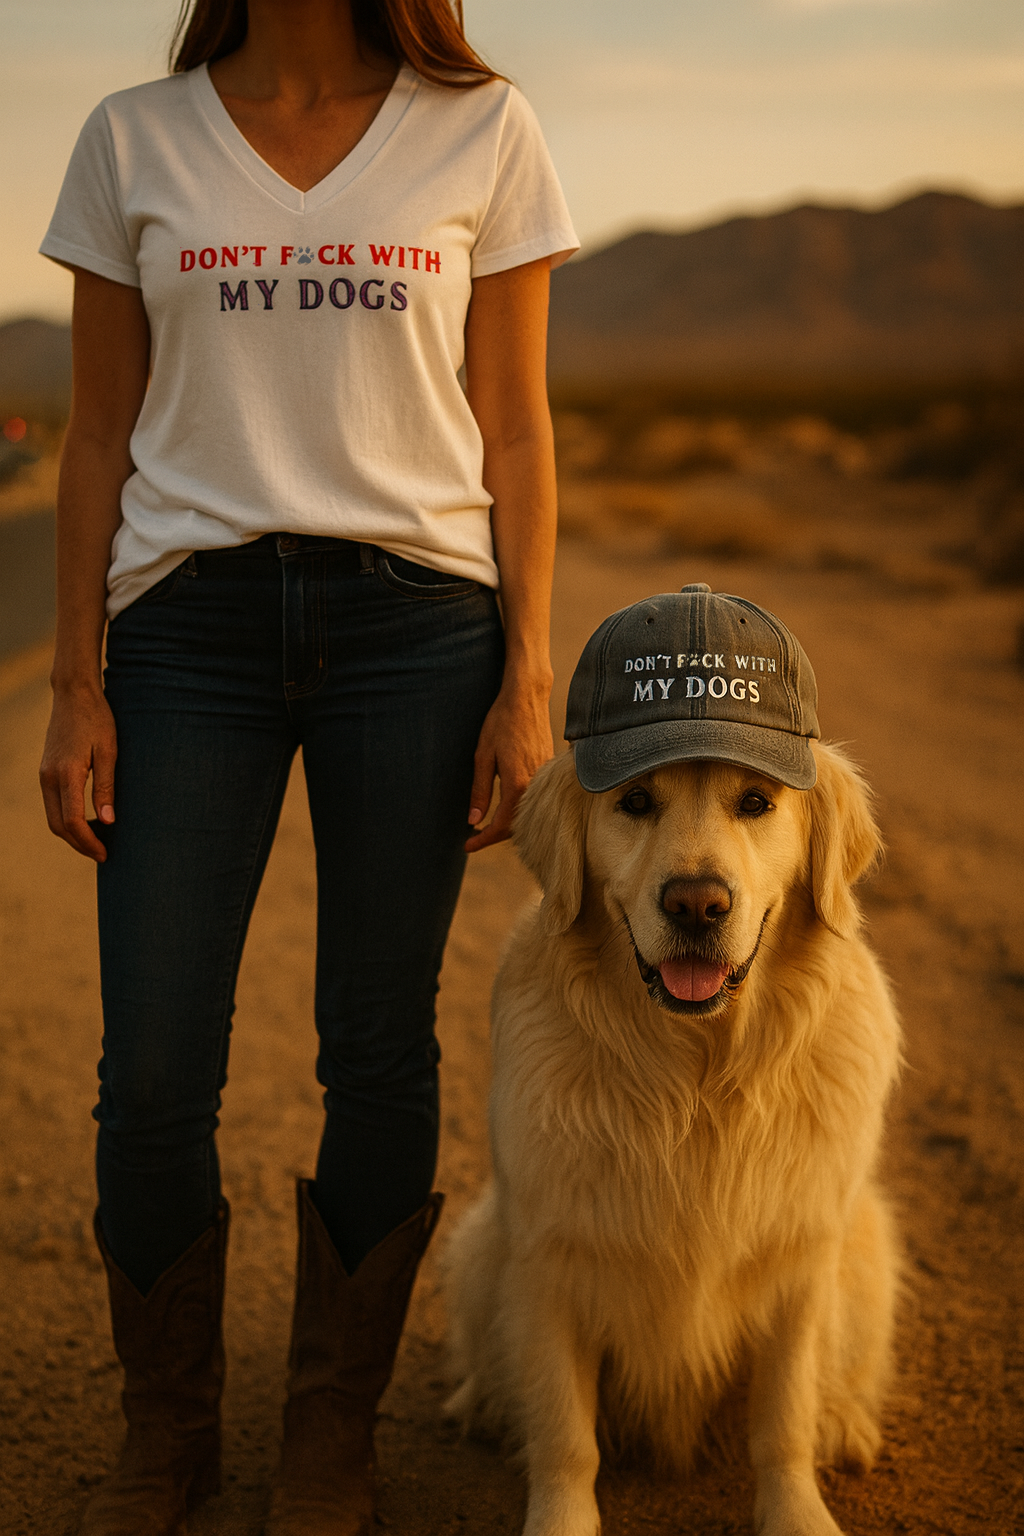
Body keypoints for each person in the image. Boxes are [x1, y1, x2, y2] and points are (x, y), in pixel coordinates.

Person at [38, 0, 577, 1530]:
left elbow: (519, 433)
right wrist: (75, 683)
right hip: (182, 631)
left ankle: (329, 1433)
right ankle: (169, 1434)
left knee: (378, 1048)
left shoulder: (485, 129)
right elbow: (92, 437)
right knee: (149, 1069)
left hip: (416, 629)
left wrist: (526, 675)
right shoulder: (133, 138)